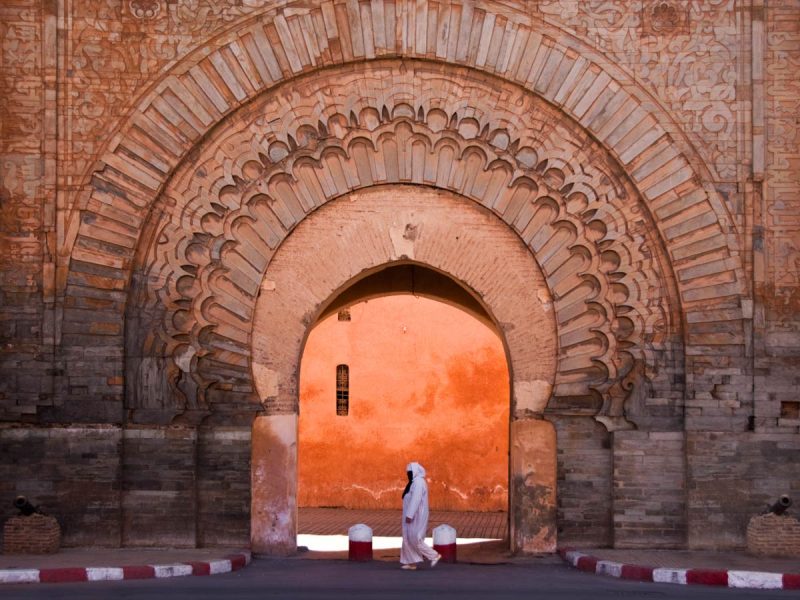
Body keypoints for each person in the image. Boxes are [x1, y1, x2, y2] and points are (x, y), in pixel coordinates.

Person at [400, 462, 441, 570]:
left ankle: (434, 555)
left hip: (417, 514)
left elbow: (416, 499)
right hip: (411, 514)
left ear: (415, 471)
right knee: (408, 537)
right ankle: (411, 562)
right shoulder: (413, 482)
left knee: (415, 538)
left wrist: (410, 514)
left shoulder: (418, 482)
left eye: (410, 472)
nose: (408, 474)